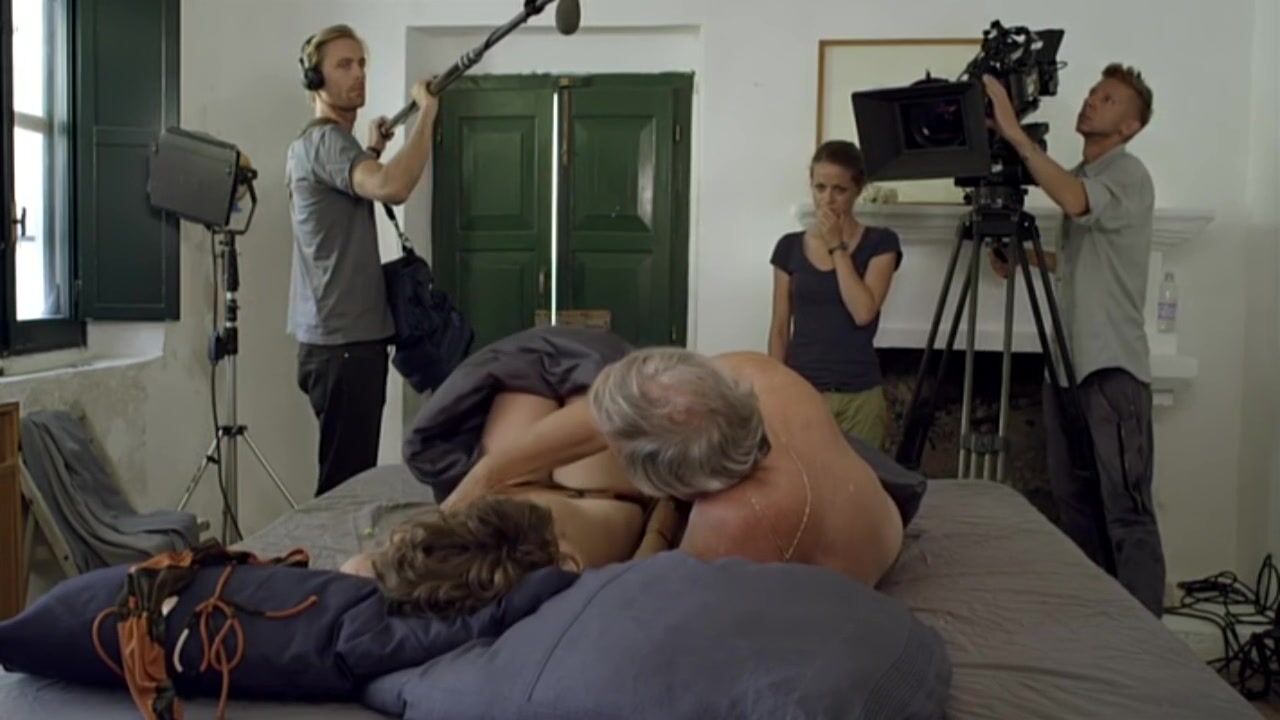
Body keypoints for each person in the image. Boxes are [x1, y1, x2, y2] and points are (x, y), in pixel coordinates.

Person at [444, 347, 905, 587]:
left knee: (573, 478)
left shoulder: (736, 520)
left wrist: (657, 526)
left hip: (858, 554)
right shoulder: (749, 373)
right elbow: (624, 410)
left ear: (670, 485)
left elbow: (636, 606)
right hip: (869, 504)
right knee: (539, 440)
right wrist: (485, 476)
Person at [984, 64, 1164, 615]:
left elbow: (1076, 201)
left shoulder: (1126, 174)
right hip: (1067, 367)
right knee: (1075, 503)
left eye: (1107, 99)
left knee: (1126, 510)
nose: (1091, 101)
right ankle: (1095, 623)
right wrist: (1028, 258)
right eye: (1092, 93)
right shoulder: (1086, 176)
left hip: (1111, 370)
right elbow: (1087, 261)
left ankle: (1144, 640)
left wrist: (1015, 134)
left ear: (1130, 126)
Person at [341, 390, 682, 608]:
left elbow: (356, 569)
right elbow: (637, 579)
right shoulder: (551, 586)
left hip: (520, 490)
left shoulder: (422, 560)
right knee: (591, 386)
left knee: (530, 378)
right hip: (593, 494)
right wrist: (664, 517)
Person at [286, 25, 438, 496]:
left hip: (336, 344)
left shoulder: (322, 146)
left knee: (346, 482)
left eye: (361, 64)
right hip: (345, 347)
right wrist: (427, 115)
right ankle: (328, 550)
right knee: (344, 493)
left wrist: (372, 151)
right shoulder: (327, 142)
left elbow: (352, 194)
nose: (358, 74)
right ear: (316, 79)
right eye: (343, 65)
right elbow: (392, 186)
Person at [768, 141, 902, 448]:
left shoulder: (881, 243)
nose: (827, 200)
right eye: (820, 188)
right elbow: (779, 327)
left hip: (860, 393)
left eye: (839, 190)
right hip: (803, 390)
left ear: (858, 190)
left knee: (862, 475)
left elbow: (863, 312)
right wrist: (775, 387)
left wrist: (836, 246)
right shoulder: (789, 247)